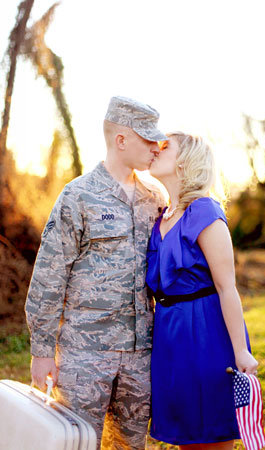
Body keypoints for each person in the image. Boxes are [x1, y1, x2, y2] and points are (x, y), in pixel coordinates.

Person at [25, 96, 167, 449]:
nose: (156, 146)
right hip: (84, 355)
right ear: (121, 140)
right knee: (77, 443)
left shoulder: (155, 199)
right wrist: (42, 350)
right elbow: (49, 275)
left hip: (140, 355)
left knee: (130, 446)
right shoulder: (78, 196)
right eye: (147, 139)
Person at [146, 131, 258, 449]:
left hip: (206, 332)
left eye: (165, 147)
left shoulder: (204, 212)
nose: (156, 150)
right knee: (187, 434)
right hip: (169, 334)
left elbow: (227, 288)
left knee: (212, 429)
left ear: (184, 162)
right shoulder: (161, 217)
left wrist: (241, 351)